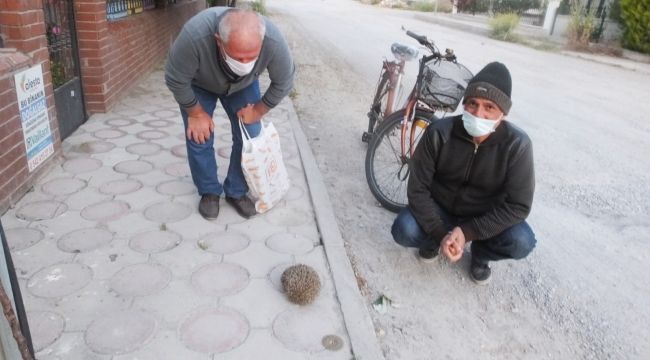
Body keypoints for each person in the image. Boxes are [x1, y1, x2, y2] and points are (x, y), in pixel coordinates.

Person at [391, 62, 536, 285]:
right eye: (472, 104)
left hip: (483, 215)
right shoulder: (439, 133)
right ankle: (434, 242)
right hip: (441, 208)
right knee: (403, 229)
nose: (478, 113)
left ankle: (481, 254)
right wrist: (441, 234)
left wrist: (469, 232)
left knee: (522, 241)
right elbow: (418, 189)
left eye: (489, 107)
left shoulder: (517, 145)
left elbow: (519, 205)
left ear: (503, 114)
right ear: (464, 104)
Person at [165, 7, 294, 220]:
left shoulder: (272, 40)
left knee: (250, 133)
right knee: (199, 135)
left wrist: (258, 111)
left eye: (251, 57)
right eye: (238, 57)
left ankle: (236, 190)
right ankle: (208, 191)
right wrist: (195, 112)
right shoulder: (194, 36)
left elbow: (284, 81)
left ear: (261, 43)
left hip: (244, 86)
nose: (244, 64)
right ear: (218, 40)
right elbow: (175, 78)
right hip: (200, 84)